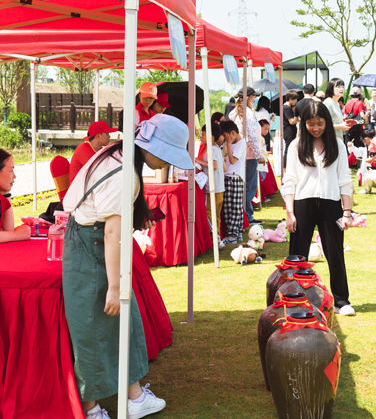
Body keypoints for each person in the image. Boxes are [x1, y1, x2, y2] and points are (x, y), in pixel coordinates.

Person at [61, 113, 193, 419]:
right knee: (91, 326)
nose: (169, 163)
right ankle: (90, 407)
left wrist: (118, 286)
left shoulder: (119, 154)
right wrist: (115, 285)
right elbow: (112, 232)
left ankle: (133, 395)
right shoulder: (125, 174)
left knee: (124, 318)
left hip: (92, 239)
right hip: (89, 243)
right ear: (153, 150)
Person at [282, 100, 356, 316]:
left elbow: (344, 180)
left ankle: (341, 300)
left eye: (320, 123)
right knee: (298, 256)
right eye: (311, 124)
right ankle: (294, 298)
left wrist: (347, 212)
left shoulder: (338, 146)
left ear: (327, 122)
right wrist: (289, 212)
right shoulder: (295, 145)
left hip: (330, 203)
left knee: (335, 253)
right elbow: (290, 180)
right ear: (303, 123)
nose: (315, 128)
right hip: (302, 203)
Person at [230, 90, 266, 225]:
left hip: (236, 152)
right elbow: (251, 136)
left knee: (241, 186)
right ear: (250, 98)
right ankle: (248, 216)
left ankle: (243, 214)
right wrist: (259, 155)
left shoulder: (233, 113)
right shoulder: (248, 114)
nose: (255, 98)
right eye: (254, 96)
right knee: (250, 187)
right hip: (249, 154)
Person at [220, 120, 246, 244]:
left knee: (235, 207)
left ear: (232, 133)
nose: (225, 139)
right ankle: (235, 232)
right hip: (227, 177)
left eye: (226, 136)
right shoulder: (229, 143)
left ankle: (234, 233)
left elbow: (233, 160)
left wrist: (229, 145)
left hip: (236, 178)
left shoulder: (241, 143)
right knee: (227, 207)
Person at [197, 123, 224, 238]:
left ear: (211, 137)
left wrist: (199, 161)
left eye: (203, 135)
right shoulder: (216, 149)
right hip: (219, 188)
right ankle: (217, 236)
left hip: (212, 188)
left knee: (210, 214)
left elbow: (215, 165)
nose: (201, 137)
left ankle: (215, 238)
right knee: (216, 215)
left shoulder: (211, 149)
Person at [282, 91, 300, 168]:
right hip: (289, 130)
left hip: (287, 130)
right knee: (288, 149)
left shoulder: (286, 106)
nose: (296, 101)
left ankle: (287, 167)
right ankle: (285, 167)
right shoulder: (287, 107)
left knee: (289, 149)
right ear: (290, 99)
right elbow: (292, 121)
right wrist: (298, 118)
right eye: (294, 99)